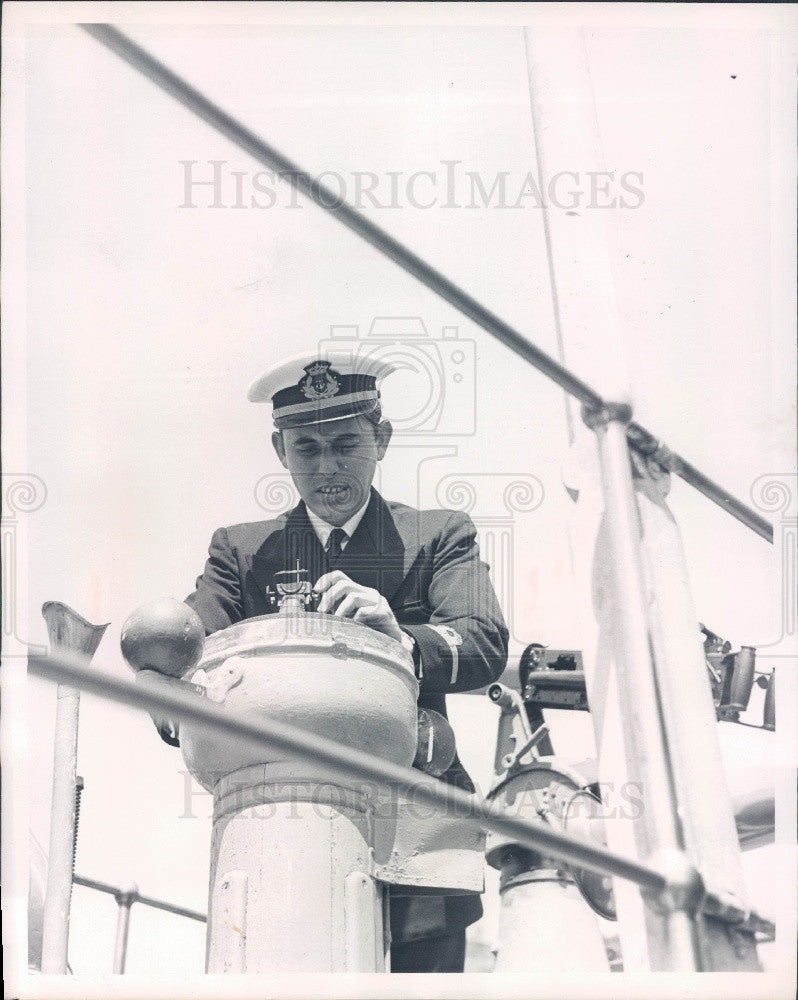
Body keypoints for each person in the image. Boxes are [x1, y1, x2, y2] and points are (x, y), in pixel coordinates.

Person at [180, 350, 509, 972]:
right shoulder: (243, 552)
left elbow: (484, 641)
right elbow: (187, 644)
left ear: (381, 440)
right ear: (281, 453)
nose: (328, 467)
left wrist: (400, 639)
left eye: (347, 444)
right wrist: (164, 673)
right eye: (306, 448)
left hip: (421, 806)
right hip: (286, 809)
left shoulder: (438, 534)